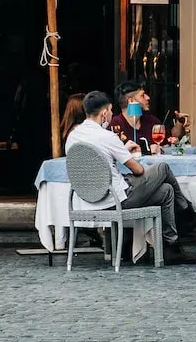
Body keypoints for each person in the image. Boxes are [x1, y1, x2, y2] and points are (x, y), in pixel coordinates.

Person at [67, 89, 181, 254]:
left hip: (85, 201)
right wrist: (123, 151)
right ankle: (184, 208)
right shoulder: (107, 136)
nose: (112, 114)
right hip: (115, 200)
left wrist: (120, 150)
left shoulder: (73, 136)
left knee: (166, 191)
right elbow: (139, 169)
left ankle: (171, 245)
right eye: (111, 111)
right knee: (162, 168)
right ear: (105, 113)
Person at [109, 78, 156, 148]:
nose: (148, 97)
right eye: (142, 95)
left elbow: (170, 140)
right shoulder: (116, 125)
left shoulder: (150, 120)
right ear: (131, 101)